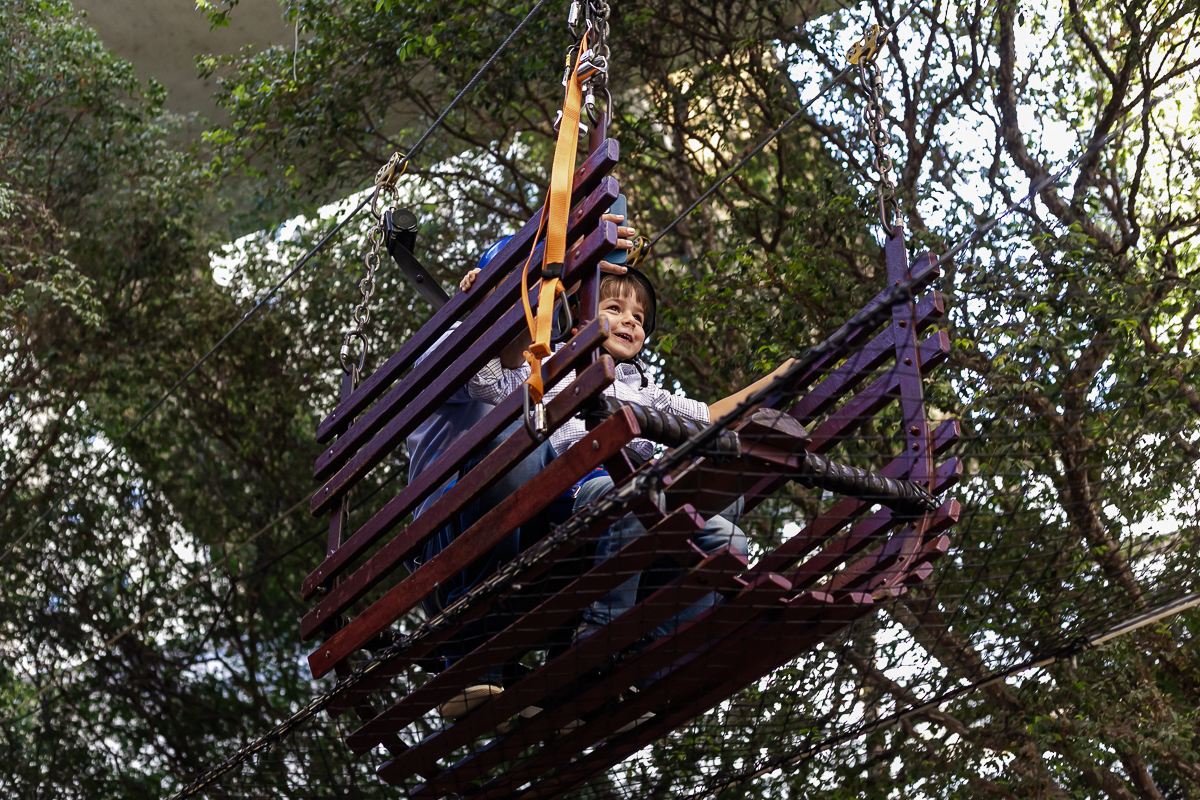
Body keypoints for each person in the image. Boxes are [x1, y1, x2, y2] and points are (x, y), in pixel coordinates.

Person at [464, 240, 798, 697]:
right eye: (615, 308)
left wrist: (778, 379)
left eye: (638, 318)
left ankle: (651, 665)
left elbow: (709, 414)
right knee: (630, 495)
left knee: (728, 538)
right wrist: (488, 299)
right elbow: (483, 381)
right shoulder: (549, 363)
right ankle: (596, 641)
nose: (629, 321)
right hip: (577, 492)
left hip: (640, 492)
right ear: (577, 314)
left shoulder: (644, 391)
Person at [410, 216, 637, 722]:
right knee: (522, 439)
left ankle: (575, 670)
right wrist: (568, 254)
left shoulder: (528, 363)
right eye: (535, 286)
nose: (545, 300)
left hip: (520, 524)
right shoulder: (455, 342)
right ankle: (469, 661)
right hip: (449, 530)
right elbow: (500, 370)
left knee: (611, 496)